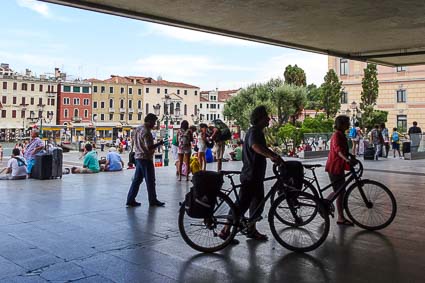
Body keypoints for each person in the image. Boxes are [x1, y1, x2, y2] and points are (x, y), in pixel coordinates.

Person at [220, 106, 283, 242]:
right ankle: (225, 231)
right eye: (266, 116)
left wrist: (272, 154)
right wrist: (272, 156)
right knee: (242, 204)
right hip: (251, 174)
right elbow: (256, 147)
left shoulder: (257, 131)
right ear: (260, 118)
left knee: (257, 203)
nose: (268, 118)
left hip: (256, 174)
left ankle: (251, 229)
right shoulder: (254, 131)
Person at [126, 113, 165, 207]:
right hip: (146, 158)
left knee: (137, 180)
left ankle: (130, 199)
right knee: (150, 180)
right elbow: (149, 147)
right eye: (154, 122)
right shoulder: (147, 132)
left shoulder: (138, 129)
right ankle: (153, 200)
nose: (154, 124)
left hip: (138, 157)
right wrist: (159, 144)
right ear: (150, 121)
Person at [325, 115, 357, 226]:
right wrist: (347, 159)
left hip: (338, 166)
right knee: (340, 191)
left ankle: (325, 204)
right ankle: (340, 217)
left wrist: (350, 156)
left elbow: (343, 150)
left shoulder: (341, 134)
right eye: (347, 122)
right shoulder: (337, 135)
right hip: (335, 166)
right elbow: (338, 149)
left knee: (339, 190)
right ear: (342, 124)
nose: (349, 124)